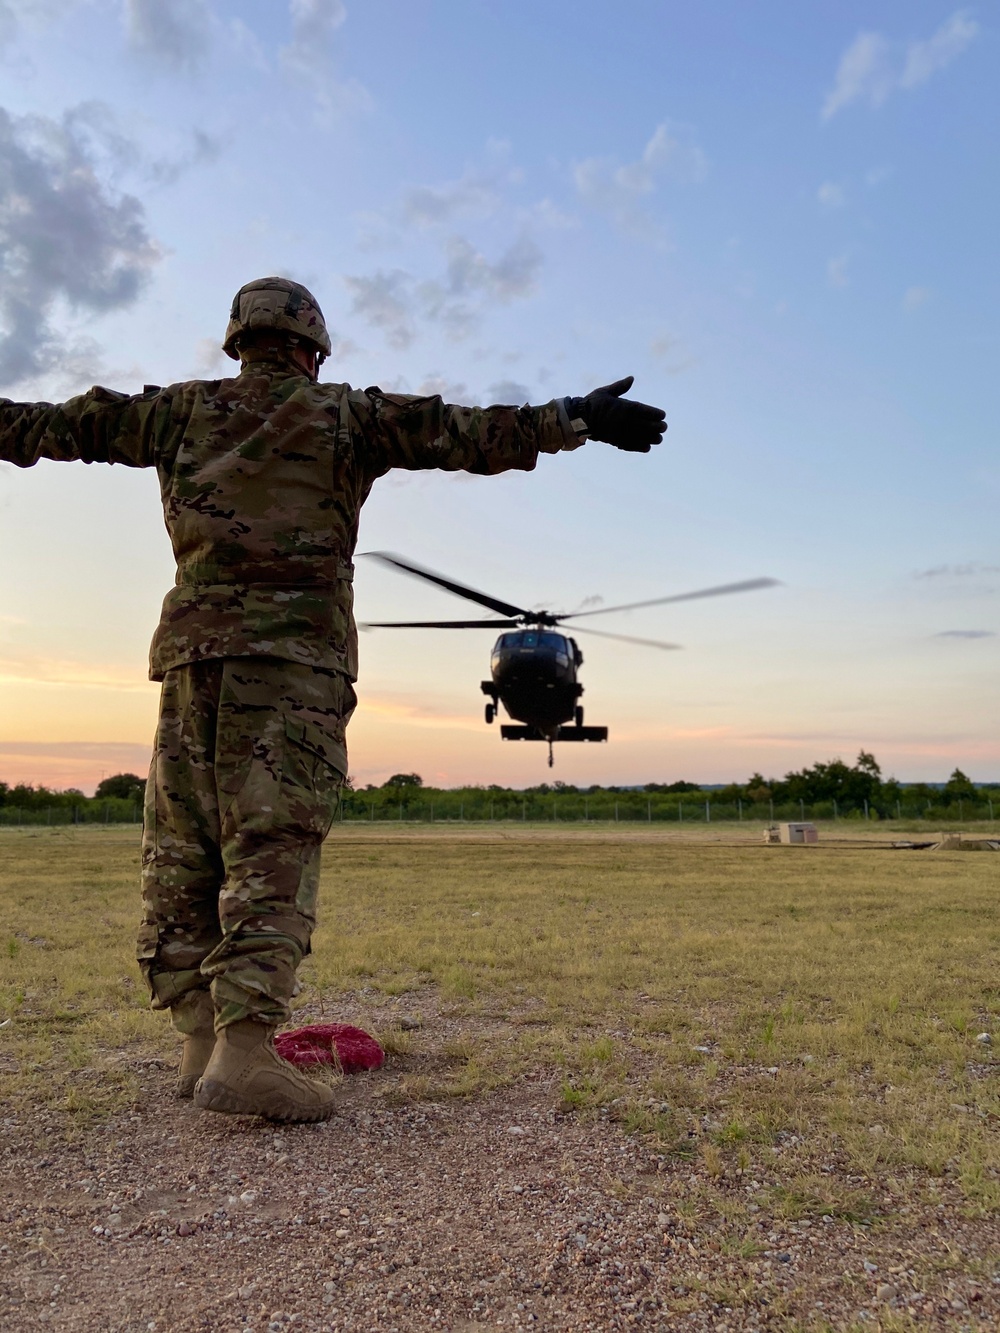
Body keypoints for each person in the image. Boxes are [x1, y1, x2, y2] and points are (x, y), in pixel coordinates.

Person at [0, 277, 666, 1122]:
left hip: (192, 657)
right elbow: (465, 433)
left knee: (184, 840)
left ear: (237, 340)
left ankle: (198, 1038)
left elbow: (52, 426)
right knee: (271, 842)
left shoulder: (174, 412)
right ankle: (243, 1053)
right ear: (313, 350)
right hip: (295, 663)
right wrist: (576, 417)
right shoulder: (346, 416)